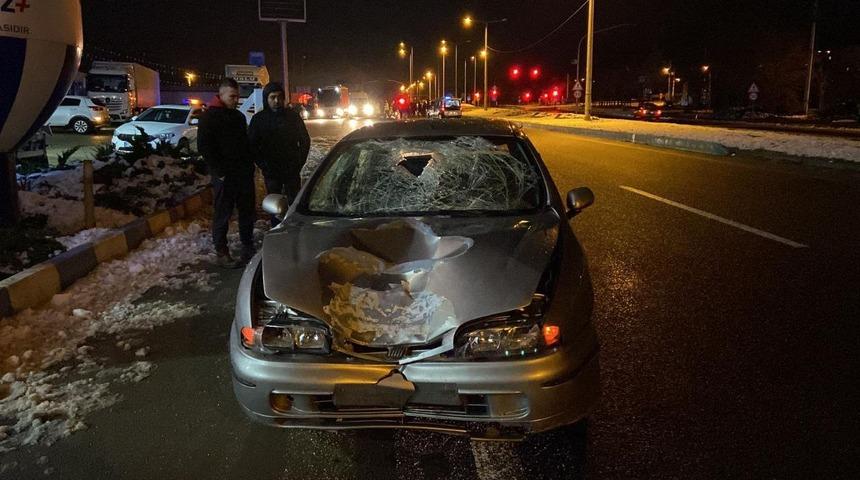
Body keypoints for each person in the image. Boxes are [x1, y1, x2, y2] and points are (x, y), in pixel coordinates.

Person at [197, 77, 257, 267]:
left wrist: (250, 166)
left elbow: (245, 144)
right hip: (225, 176)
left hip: (243, 173)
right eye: (232, 96)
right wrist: (219, 172)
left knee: (247, 211)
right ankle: (221, 251)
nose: (236, 100)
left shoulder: (238, 117)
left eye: (238, 96)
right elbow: (205, 147)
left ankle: (248, 246)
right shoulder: (209, 117)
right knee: (223, 213)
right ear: (221, 95)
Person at [248, 82, 311, 227]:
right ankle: (277, 227)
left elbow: (304, 140)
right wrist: (263, 165)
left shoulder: (292, 117)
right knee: (274, 204)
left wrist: (299, 162)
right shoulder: (259, 120)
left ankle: (294, 226)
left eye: (280, 97)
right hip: (271, 171)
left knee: (295, 201)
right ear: (266, 99)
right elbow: (252, 146)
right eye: (272, 97)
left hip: (291, 169)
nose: (276, 101)